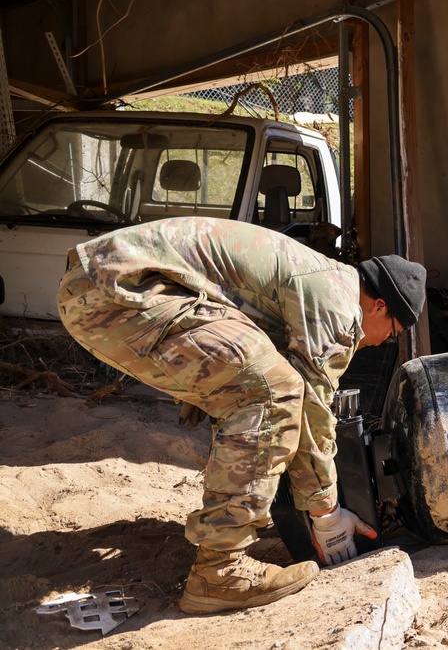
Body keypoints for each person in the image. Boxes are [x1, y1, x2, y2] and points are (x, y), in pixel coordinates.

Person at [56, 217, 427, 614]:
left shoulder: (321, 278)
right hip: (123, 290)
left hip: (102, 285)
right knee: (274, 390)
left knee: (261, 385)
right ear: (379, 305)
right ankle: (220, 571)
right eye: (390, 332)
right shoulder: (336, 303)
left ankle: (228, 535)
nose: (381, 342)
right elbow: (312, 412)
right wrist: (327, 515)